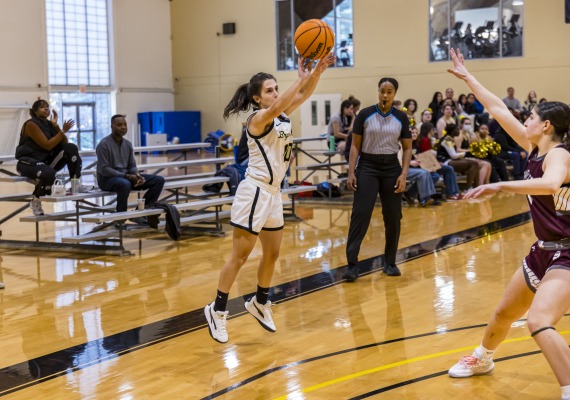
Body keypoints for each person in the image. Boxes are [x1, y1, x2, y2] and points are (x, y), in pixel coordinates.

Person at [446, 48, 570, 400]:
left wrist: (500, 184)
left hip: (567, 254)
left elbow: (550, 184)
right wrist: (468, 77)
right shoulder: (535, 148)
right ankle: (483, 358)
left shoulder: (559, 154)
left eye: (529, 117)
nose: (524, 120)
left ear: (546, 125)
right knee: (503, 313)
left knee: (539, 321)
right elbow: (498, 110)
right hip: (543, 252)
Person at [203, 53, 335, 344]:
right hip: (254, 192)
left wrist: (317, 73)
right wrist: (301, 77)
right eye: (269, 90)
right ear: (257, 98)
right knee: (239, 256)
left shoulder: (282, 114)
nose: (275, 93)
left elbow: (301, 94)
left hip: (274, 193)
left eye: (277, 87)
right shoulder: (258, 119)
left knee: (273, 254)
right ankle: (218, 309)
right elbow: (281, 103)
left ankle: (260, 303)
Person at [343, 77, 412, 282]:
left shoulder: (401, 117)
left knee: (393, 216)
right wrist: (351, 171)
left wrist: (403, 174)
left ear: (394, 93)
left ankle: (390, 262)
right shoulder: (365, 114)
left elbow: (407, 148)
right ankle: (352, 265)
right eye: (382, 91)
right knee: (361, 214)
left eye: (389, 92)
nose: (385, 95)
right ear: (378, 91)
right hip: (367, 166)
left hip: (392, 166)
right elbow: (355, 146)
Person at [15, 99, 86, 216]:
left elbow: (64, 143)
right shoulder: (31, 124)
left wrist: (56, 126)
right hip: (27, 162)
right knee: (49, 173)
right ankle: (36, 201)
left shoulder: (49, 124)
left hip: (45, 161)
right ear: (35, 111)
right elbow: (47, 145)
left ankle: (75, 185)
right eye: (43, 107)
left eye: (48, 106)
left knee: (71, 148)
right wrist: (63, 130)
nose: (47, 109)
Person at [96, 115, 165, 215]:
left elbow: (131, 165)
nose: (123, 127)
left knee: (158, 180)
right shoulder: (103, 144)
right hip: (106, 179)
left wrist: (136, 175)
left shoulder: (128, 144)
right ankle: (120, 219)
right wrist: (127, 176)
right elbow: (104, 170)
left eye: (125, 124)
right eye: (119, 125)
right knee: (125, 184)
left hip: (126, 177)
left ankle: (142, 213)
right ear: (112, 127)